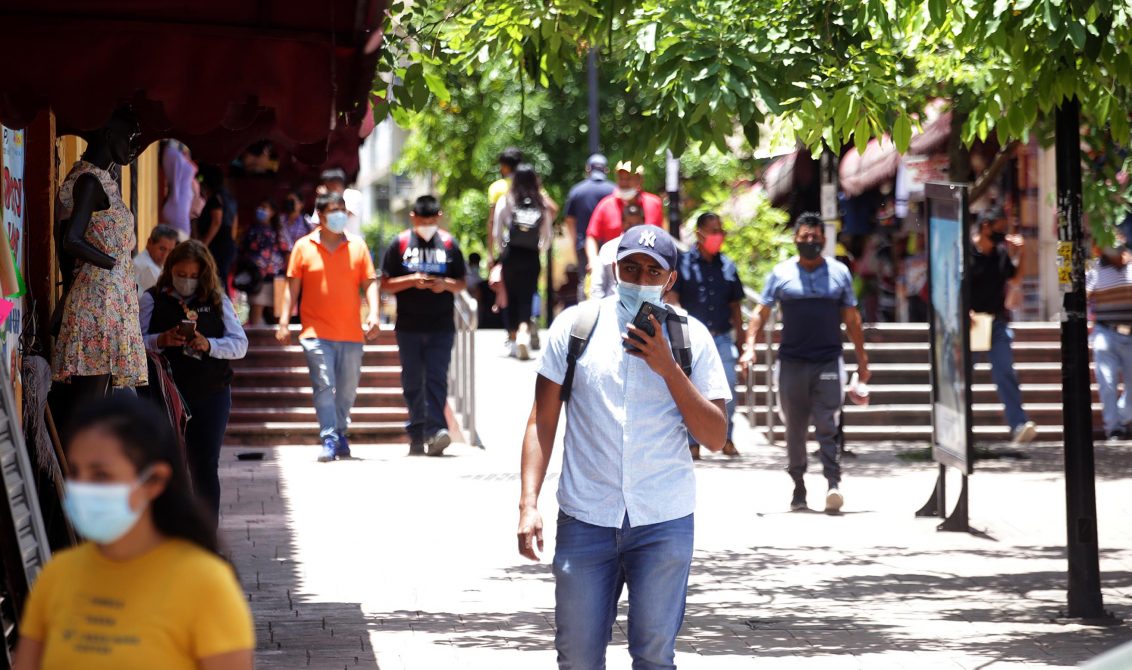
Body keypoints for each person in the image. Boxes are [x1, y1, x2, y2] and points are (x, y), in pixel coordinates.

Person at [517, 226, 730, 669]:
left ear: (670, 280)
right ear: (615, 267)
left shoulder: (694, 338)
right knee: (577, 658)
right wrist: (528, 504)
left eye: (653, 271)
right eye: (631, 266)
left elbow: (715, 436)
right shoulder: (575, 327)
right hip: (586, 517)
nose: (639, 277)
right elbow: (542, 420)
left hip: (663, 520)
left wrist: (669, 369)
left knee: (654, 657)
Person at [12, 395, 254, 670]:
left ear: (153, 481)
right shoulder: (56, 577)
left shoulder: (207, 585)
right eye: (76, 472)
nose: (82, 489)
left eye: (101, 475)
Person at [740, 213, 870, 513]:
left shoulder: (839, 273)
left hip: (828, 361)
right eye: (804, 237)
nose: (810, 242)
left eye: (815, 237)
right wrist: (749, 347)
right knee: (794, 428)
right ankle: (798, 486)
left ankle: (833, 483)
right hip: (791, 364)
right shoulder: (781, 273)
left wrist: (862, 360)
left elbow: (852, 319)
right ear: (795, 239)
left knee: (828, 423)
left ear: (824, 240)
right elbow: (760, 314)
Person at [140, 240, 248, 522]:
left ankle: (206, 538)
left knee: (205, 466)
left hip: (211, 393)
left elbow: (239, 345)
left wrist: (208, 344)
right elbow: (133, 344)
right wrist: (160, 340)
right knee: (168, 466)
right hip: (164, 395)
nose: (186, 282)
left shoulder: (216, 301)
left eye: (193, 276)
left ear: (204, 274)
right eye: (181, 274)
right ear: (170, 270)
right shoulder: (152, 299)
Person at [52, 106, 148, 398]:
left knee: (100, 407)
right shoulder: (88, 180)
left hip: (110, 302)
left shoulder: (105, 179)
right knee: (89, 409)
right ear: (109, 135)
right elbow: (70, 240)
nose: (135, 149)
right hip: (96, 303)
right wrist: (113, 264)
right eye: (131, 138)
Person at [276, 192, 380, 462]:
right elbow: (291, 287)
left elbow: (369, 282)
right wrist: (284, 321)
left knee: (347, 388)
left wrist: (375, 314)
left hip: (351, 332)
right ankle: (330, 438)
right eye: (334, 211)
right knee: (323, 384)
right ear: (320, 216)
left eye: (343, 211)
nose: (340, 216)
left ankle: (340, 432)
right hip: (315, 333)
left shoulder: (358, 246)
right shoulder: (303, 246)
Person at [381, 196, 468, 456]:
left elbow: (461, 282)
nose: (427, 225)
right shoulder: (400, 243)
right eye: (422, 220)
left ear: (439, 216)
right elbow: (385, 283)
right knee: (412, 380)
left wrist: (445, 286)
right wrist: (411, 280)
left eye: (431, 220)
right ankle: (417, 431)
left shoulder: (450, 244)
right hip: (408, 325)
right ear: (413, 217)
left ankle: (437, 431)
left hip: (441, 325)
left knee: (436, 378)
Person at [670, 212, 744, 459]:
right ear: (700, 234)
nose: (718, 236)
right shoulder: (683, 264)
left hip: (722, 337)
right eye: (714, 231)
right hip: (691, 339)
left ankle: (726, 437)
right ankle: (693, 442)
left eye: (721, 231)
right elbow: (673, 299)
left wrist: (742, 343)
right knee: (691, 389)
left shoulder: (728, 266)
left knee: (728, 386)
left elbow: (736, 307)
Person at [969, 207, 1037, 445]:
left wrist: (1023, 253)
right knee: (963, 377)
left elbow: (1015, 278)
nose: (1003, 232)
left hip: (996, 322)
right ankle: (959, 427)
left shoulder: (999, 253)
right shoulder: (965, 253)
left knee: (1005, 371)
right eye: (999, 226)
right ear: (985, 226)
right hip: (972, 323)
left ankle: (1018, 424)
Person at [492, 164, 554, 360]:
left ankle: (512, 337)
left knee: (510, 295)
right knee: (527, 296)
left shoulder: (507, 199)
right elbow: (548, 235)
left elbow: (496, 232)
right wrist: (538, 248)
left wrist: (503, 251)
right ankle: (523, 332)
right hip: (531, 255)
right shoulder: (540, 202)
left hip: (511, 255)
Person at [583, 160, 665, 280]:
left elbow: (661, 236)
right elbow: (591, 236)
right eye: (621, 178)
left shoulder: (654, 203)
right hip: (613, 272)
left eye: (628, 178)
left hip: (647, 273)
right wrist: (593, 260)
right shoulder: (606, 205)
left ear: (640, 179)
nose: (624, 182)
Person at [1087, 240, 1132, 441]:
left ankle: (1122, 417)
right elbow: (1083, 297)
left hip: (1130, 334)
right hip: (1106, 332)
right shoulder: (1096, 270)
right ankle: (1113, 427)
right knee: (1107, 381)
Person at [563, 154, 615, 299]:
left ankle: (585, 313)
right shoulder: (614, 191)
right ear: (606, 170)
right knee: (613, 282)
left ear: (588, 169)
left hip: (584, 245)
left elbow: (569, 220)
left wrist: (576, 242)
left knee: (587, 280)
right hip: (611, 244)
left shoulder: (577, 191)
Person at [239, 198, 291, 325]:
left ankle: (279, 343)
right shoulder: (251, 229)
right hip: (256, 279)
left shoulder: (278, 230)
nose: (261, 210)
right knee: (255, 312)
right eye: (260, 207)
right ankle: (255, 343)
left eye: (265, 208)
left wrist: (289, 276)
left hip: (277, 278)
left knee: (278, 315)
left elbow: (287, 251)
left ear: (273, 212)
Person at [589, 202, 645, 300]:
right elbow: (597, 285)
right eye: (629, 223)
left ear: (643, 222)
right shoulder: (608, 248)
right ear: (622, 223)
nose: (633, 227)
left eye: (637, 223)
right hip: (612, 306)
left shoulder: (652, 249)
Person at [195, 165, 238, 288]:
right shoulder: (230, 199)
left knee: (216, 278)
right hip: (227, 243)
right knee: (221, 277)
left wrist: (204, 243)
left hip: (217, 244)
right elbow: (234, 223)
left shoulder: (216, 198)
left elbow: (216, 221)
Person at [486, 147, 524, 260]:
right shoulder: (531, 187)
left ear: (506, 166)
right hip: (530, 249)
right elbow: (552, 209)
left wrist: (490, 253)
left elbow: (492, 222)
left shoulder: (497, 188)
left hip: (508, 248)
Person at [133, 224, 179, 295]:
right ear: (149, 243)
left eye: (170, 251)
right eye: (162, 249)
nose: (165, 255)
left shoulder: (154, 263)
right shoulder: (147, 268)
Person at [317, 168, 363, 237]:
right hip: (328, 243)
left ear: (335, 185)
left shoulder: (353, 195)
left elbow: (344, 215)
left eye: (328, 187)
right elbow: (318, 222)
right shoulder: (324, 199)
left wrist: (326, 198)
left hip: (351, 243)